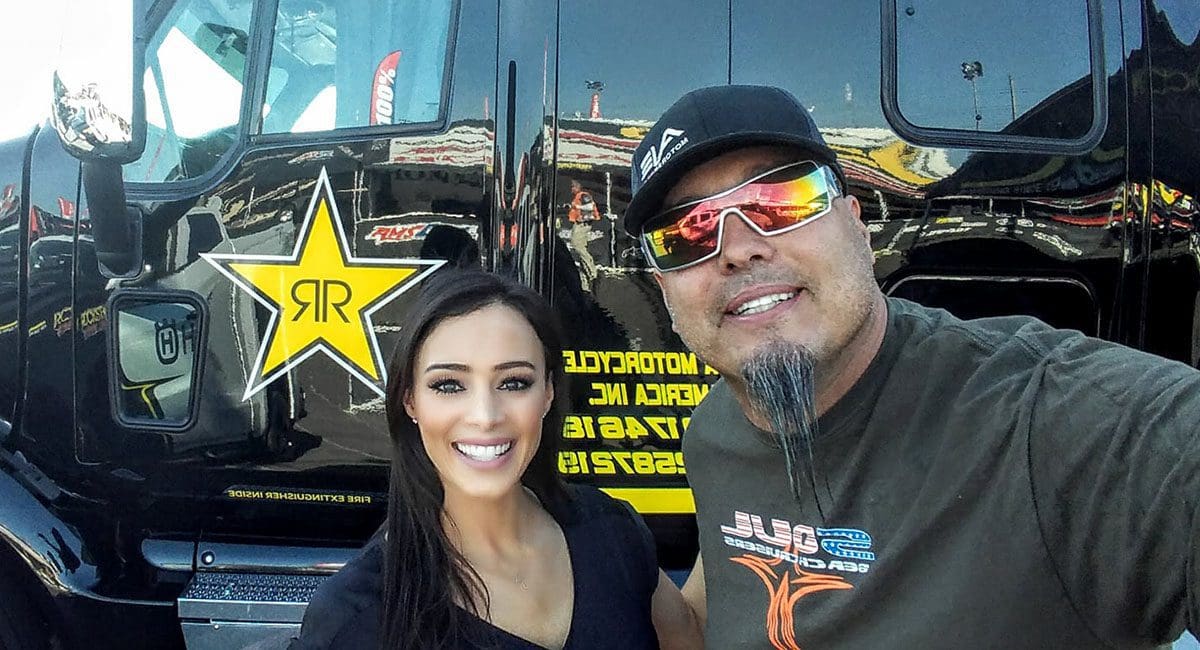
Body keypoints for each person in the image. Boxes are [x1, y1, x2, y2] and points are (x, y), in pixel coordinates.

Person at [622, 85, 1200, 649]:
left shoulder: (1050, 423)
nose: (737, 247)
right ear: (665, 293)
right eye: (686, 233)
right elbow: (720, 597)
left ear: (857, 226)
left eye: (778, 202)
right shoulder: (715, 429)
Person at [290, 269, 701, 649]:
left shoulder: (611, 532)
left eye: (514, 382)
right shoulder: (357, 614)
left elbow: (692, 634)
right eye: (449, 385)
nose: (485, 416)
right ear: (410, 400)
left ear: (549, 393)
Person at [567, 179, 601, 289]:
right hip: (580, 224)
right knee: (579, 248)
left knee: (577, 245)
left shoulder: (584, 195)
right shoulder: (579, 197)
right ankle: (585, 281)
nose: (571, 189)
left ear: (577, 187)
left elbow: (590, 207)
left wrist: (578, 207)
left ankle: (592, 271)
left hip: (583, 225)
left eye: (573, 187)